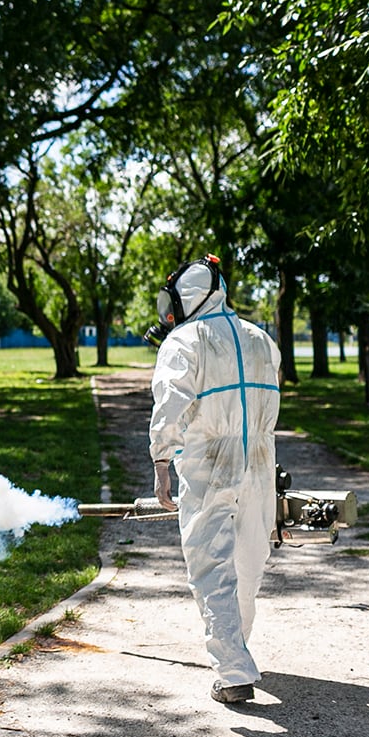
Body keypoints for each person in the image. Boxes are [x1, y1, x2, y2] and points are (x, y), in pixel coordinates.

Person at [147, 256, 282, 704]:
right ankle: (235, 655)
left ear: (186, 298)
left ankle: (232, 669)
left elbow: (170, 404)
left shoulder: (185, 341)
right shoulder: (262, 339)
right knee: (248, 562)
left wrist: (162, 461)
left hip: (209, 460)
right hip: (260, 461)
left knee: (212, 565)